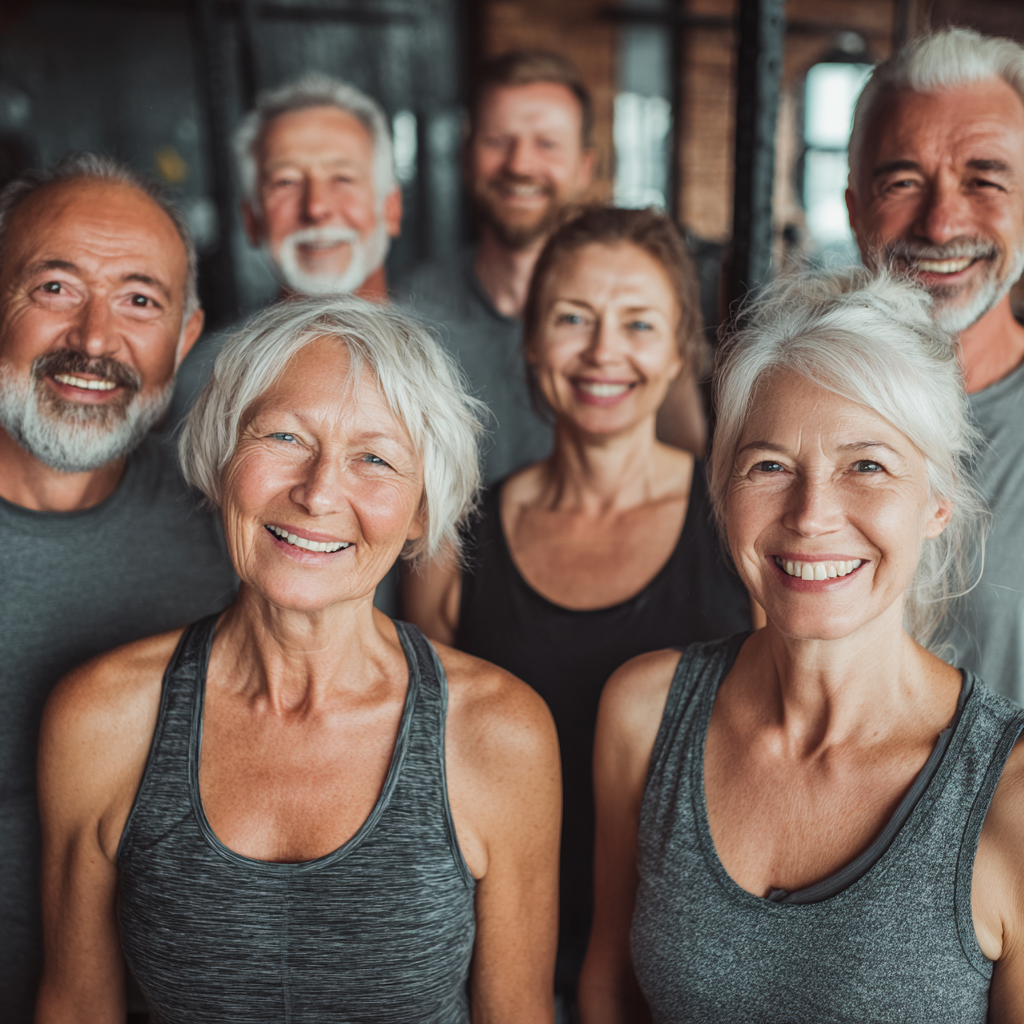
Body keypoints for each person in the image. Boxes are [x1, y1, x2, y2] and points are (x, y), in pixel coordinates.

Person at [36, 297, 561, 1023]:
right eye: (284, 436)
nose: (317, 493)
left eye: (374, 458)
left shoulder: (501, 734)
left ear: (418, 514)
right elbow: (74, 1006)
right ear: (224, 459)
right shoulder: (102, 716)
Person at [580, 268, 1024, 1022]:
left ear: (938, 503)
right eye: (770, 466)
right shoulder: (645, 713)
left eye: (868, 465)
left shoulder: (1008, 794)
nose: (812, 514)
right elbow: (608, 986)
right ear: (724, 496)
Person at [404, 207, 753, 1013]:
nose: (603, 351)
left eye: (638, 322)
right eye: (573, 318)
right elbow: (421, 768)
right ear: (531, 341)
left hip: (689, 964)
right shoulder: (458, 534)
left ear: (677, 351)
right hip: (495, 955)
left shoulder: (740, 520)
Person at [0, 152, 237, 1022]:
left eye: (140, 300)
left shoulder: (235, 545)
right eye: (55, 288)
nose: (95, 341)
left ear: (184, 336)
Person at [398, 51, 707, 486]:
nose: (520, 164)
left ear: (585, 168)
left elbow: (687, 467)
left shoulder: (639, 314)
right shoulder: (407, 310)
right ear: (467, 159)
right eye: (498, 141)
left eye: (546, 144)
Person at [846, 28, 1024, 702]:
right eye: (903, 181)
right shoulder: (803, 415)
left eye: (985, 179)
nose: (942, 223)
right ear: (856, 213)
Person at [168, 72, 402, 426]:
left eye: (342, 179)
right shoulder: (203, 381)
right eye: (286, 182)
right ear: (252, 220)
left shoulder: (462, 360)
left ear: (391, 209)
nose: (316, 207)